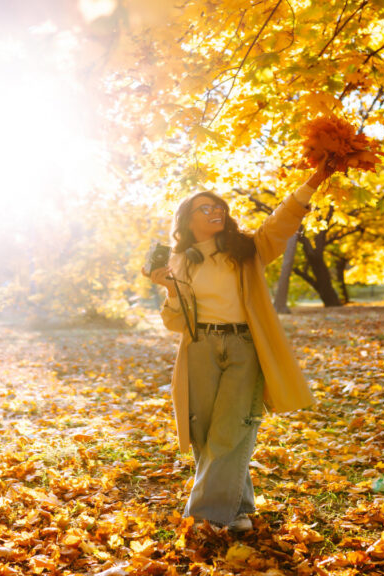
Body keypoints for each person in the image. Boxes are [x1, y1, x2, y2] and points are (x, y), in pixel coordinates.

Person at [147, 156, 339, 531]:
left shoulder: (248, 248)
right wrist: (169, 289)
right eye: (205, 208)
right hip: (199, 348)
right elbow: (175, 322)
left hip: (243, 346)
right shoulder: (179, 260)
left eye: (219, 207)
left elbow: (281, 222)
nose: (216, 211)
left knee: (232, 426)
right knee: (205, 431)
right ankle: (237, 510)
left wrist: (314, 180)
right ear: (187, 220)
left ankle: (206, 515)